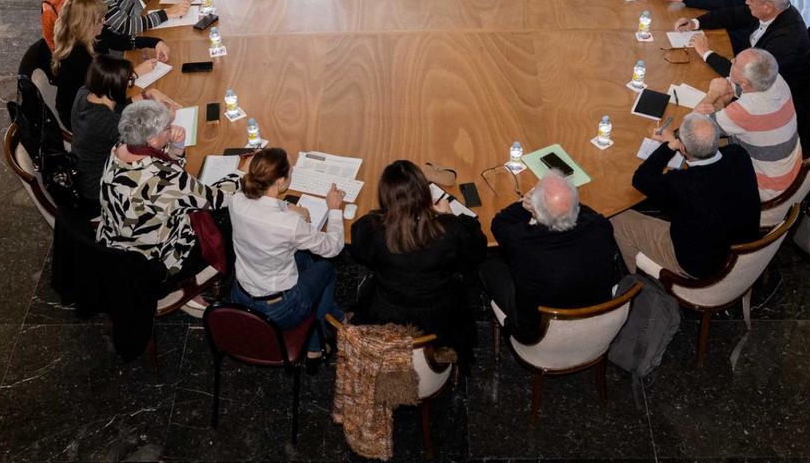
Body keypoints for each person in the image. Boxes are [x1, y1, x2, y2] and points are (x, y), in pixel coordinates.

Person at [349, 160, 487, 366]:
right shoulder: (448, 230)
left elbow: (360, 251)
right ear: (425, 193)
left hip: (386, 311)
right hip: (440, 315)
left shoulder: (373, 229)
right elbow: (476, 252)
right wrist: (450, 217)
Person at [97, 100, 240, 279]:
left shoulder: (119, 151)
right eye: (167, 127)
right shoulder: (163, 177)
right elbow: (218, 199)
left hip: (120, 242)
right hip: (156, 261)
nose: (172, 128)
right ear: (151, 139)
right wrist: (244, 173)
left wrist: (176, 148)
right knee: (229, 218)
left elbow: (160, 174)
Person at [227, 147, 346, 361]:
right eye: (290, 172)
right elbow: (333, 247)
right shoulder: (290, 225)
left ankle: (334, 314)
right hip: (280, 309)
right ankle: (314, 346)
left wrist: (289, 206)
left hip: (241, 295)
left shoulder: (236, 201)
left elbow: (265, 205)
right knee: (326, 268)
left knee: (305, 258)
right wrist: (335, 209)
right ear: (280, 182)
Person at [613, 114, 760, 278]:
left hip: (701, 264)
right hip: (742, 246)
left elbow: (641, 178)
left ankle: (635, 280)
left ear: (682, 149)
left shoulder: (683, 184)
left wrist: (669, 147)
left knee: (617, 218)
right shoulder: (739, 155)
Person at [480, 171, 617, 343]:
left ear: (536, 213)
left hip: (536, 332)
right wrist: (565, 203)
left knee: (488, 262)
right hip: (597, 320)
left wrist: (523, 205)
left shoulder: (523, 243)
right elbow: (589, 214)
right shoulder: (601, 229)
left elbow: (499, 224)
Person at [70, 55, 180, 211]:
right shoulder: (108, 123)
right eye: (129, 82)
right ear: (115, 87)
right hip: (100, 189)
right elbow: (149, 142)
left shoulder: (85, 93)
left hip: (84, 170)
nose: (130, 85)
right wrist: (166, 118)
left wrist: (145, 96)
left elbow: (116, 108)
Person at [675, 0, 810, 97]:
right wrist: (695, 22)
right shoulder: (768, 10)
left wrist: (706, 53)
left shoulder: (787, 40)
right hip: (748, 71)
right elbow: (732, 15)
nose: (746, 2)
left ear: (767, 7)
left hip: (768, 96)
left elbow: (746, 75)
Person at [48, 0, 170, 129]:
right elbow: (104, 88)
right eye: (99, 20)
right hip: (83, 117)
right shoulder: (76, 55)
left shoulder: (93, 33)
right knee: (152, 122)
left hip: (99, 101)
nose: (104, 22)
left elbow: (123, 41)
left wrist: (155, 42)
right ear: (86, 25)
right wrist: (134, 73)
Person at [695, 48, 803, 202]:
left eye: (735, 62)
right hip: (789, 172)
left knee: (695, 172)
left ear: (745, 82)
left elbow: (694, 130)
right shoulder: (775, 78)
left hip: (767, 189)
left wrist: (712, 94)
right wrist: (722, 99)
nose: (731, 61)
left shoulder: (747, 110)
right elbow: (734, 89)